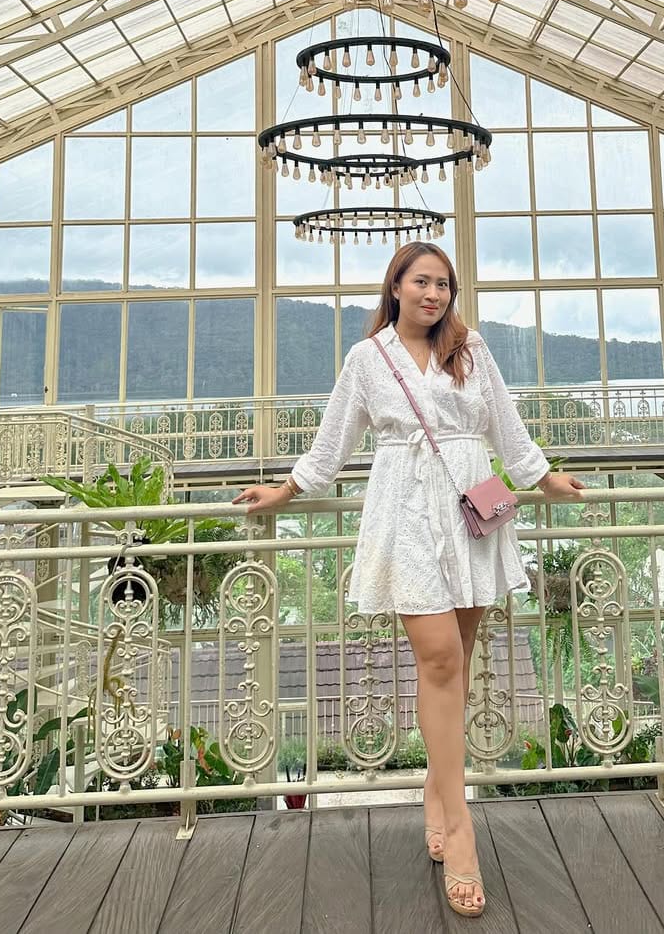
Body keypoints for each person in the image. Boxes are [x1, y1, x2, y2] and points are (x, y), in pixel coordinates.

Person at [233, 240, 584, 919]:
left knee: (459, 659)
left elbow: (506, 427)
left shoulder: (470, 348)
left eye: (444, 284)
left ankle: (435, 792)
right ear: (395, 285)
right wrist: (287, 489)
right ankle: (460, 824)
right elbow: (334, 440)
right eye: (422, 281)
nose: (434, 294)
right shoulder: (368, 358)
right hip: (406, 511)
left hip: (471, 506)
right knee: (441, 658)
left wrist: (544, 478)